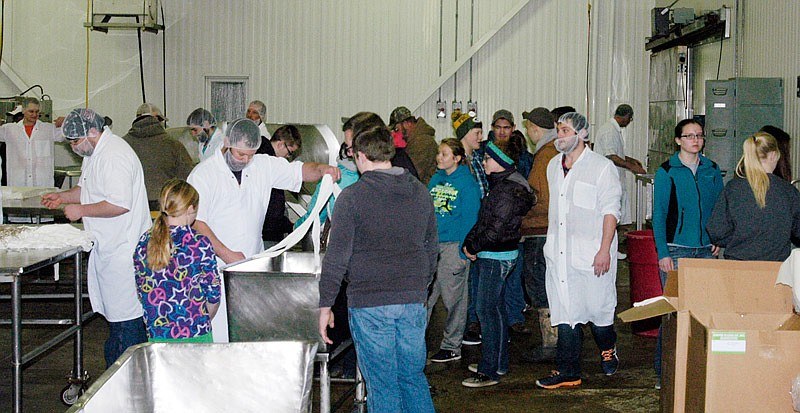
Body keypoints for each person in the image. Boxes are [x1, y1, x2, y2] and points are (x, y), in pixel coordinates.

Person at [318, 119, 437, 413]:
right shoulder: (420, 193)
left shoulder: (352, 198)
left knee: (383, 385)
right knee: (412, 378)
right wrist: (419, 286)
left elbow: (336, 257)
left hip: (370, 303)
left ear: (359, 156)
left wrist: (325, 305)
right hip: (411, 300)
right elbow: (431, 248)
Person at [188, 118, 339, 342]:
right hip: (215, 267)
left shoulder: (261, 165)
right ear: (227, 143)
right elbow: (197, 223)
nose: (246, 160)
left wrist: (322, 169)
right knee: (219, 335)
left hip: (250, 265)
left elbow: (300, 172)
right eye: (240, 155)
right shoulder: (203, 175)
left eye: (250, 155)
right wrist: (227, 253)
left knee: (249, 334)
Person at [41, 108, 151, 367]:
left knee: (126, 321)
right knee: (116, 321)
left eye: (75, 142)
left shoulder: (114, 155)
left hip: (124, 252)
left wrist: (81, 211)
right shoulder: (95, 153)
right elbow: (87, 188)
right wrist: (63, 197)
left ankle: (126, 380)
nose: (73, 147)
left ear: (92, 132)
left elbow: (119, 204)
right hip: (108, 250)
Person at [535, 112, 621, 389]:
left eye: (566, 130)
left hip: (593, 255)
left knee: (599, 315)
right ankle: (568, 371)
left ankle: (608, 348)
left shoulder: (602, 167)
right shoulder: (551, 166)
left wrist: (604, 250)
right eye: (559, 130)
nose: (561, 135)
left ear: (582, 134)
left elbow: (611, 212)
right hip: (560, 254)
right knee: (566, 314)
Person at [651, 118, 723, 388]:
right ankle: (664, 372)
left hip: (706, 250)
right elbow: (658, 216)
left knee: (704, 311)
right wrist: (663, 252)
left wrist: (718, 238)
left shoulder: (712, 170)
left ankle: (699, 368)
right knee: (673, 311)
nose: (695, 140)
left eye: (699, 136)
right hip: (676, 251)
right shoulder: (667, 171)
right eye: (689, 136)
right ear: (678, 140)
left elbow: (719, 208)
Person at [460, 132, 535, 388]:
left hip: (495, 256)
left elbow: (495, 229)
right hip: (495, 253)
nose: (483, 163)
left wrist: (473, 245)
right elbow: (484, 221)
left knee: (486, 311)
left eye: (487, 159)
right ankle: (498, 362)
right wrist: (470, 242)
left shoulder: (506, 191)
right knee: (497, 310)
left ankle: (488, 370)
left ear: (499, 161)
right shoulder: (501, 186)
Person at [133, 179, 221, 342]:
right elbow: (213, 294)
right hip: (195, 331)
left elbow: (141, 290)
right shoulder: (199, 244)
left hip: (158, 333)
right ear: (190, 209)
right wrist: (203, 319)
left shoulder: (145, 241)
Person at [427, 138, 481, 364]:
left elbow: (470, 219)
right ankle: (415, 343)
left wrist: (463, 250)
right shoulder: (435, 179)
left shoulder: (466, 183)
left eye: (445, 154)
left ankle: (451, 346)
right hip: (432, 245)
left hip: (452, 246)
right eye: (439, 153)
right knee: (426, 299)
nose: (440, 157)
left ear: (457, 158)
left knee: (453, 300)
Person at [707, 132, 800, 262]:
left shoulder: (733, 188)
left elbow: (716, 231)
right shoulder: (788, 191)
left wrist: (736, 240)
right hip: (776, 266)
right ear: (773, 155)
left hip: (738, 264)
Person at [519, 107, 560, 363]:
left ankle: (550, 343)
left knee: (539, 285)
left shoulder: (545, 155)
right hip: (552, 229)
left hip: (540, 229)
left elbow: (542, 198)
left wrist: (523, 211)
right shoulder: (558, 150)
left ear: (535, 129)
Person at [452, 112, 487, 346]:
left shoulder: (475, 158)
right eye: (477, 133)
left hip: (478, 224)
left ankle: (472, 324)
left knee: (474, 280)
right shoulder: (460, 162)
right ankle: (467, 328)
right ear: (465, 134)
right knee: (467, 283)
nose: (481, 137)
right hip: (468, 226)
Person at [122, 103, 194, 210]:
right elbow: (189, 177)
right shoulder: (173, 144)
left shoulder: (123, 144)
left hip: (132, 205)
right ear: (157, 118)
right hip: (163, 205)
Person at [592, 104, 646, 229]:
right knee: (610, 213)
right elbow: (611, 156)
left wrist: (632, 160)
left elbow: (616, 153)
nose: (629, 122)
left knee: (617, 212)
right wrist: (632, 168)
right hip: (607, 179)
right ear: (626, 117)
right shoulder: (609, 131)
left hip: (613, 177)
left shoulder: (613, 129)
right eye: (630, 119)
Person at [0, 97, 64, 187]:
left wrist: (67, 120)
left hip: (42, 185)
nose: (34, 114)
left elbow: (71, 134)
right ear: (23, 111)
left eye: (37, 112)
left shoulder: (48, 129)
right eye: (31, 111)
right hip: (18, 184)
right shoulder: (9, 130)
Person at [256, 124, 302, 248]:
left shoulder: (258, 155)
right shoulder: (270, 165)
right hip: (267, 235)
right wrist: (289, 226)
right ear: (281, 144)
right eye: (289, 153)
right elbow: (273, 209)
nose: (288, 157)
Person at [389, 106, 438, 185]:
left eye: (397, 129)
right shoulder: (414, 141)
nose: (396, 133)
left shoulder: (422, 142)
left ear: (407, 124)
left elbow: (410, 174)